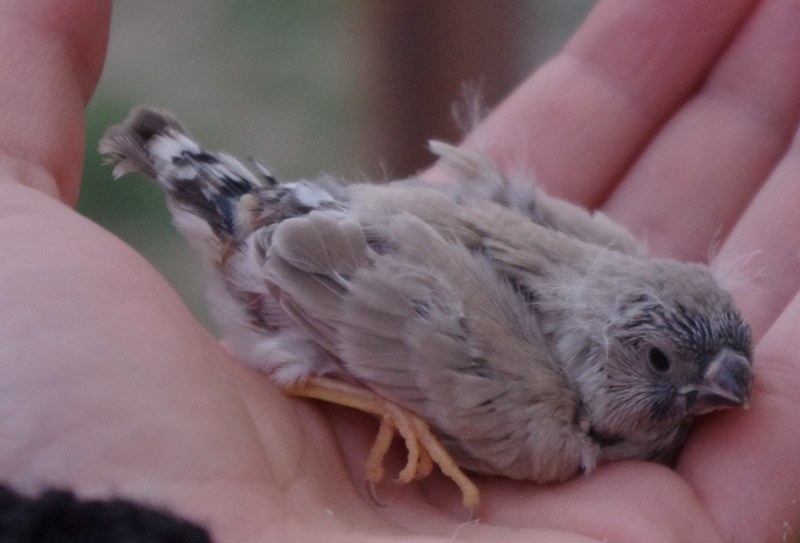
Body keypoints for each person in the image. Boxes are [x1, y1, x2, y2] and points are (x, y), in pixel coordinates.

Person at [1, 1, 798, 541]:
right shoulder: (548, 429)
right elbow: (326, 261)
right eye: (663, 364)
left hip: (322, 222)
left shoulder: (614, 257)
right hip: (291, 285)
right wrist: (396, 411)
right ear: (619, 347)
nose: (708, 397)